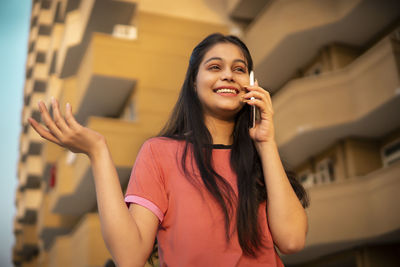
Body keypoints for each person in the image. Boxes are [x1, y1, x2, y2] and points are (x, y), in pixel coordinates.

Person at [29, 33, 309, 267]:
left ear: (251, 84)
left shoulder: (262, 160)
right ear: (193, 82)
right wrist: (98, 151)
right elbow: (129, 257)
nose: (228, 75)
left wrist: (265, 142)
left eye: (239, 69)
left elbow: (292, 240)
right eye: (214, 67)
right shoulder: (159, 153)